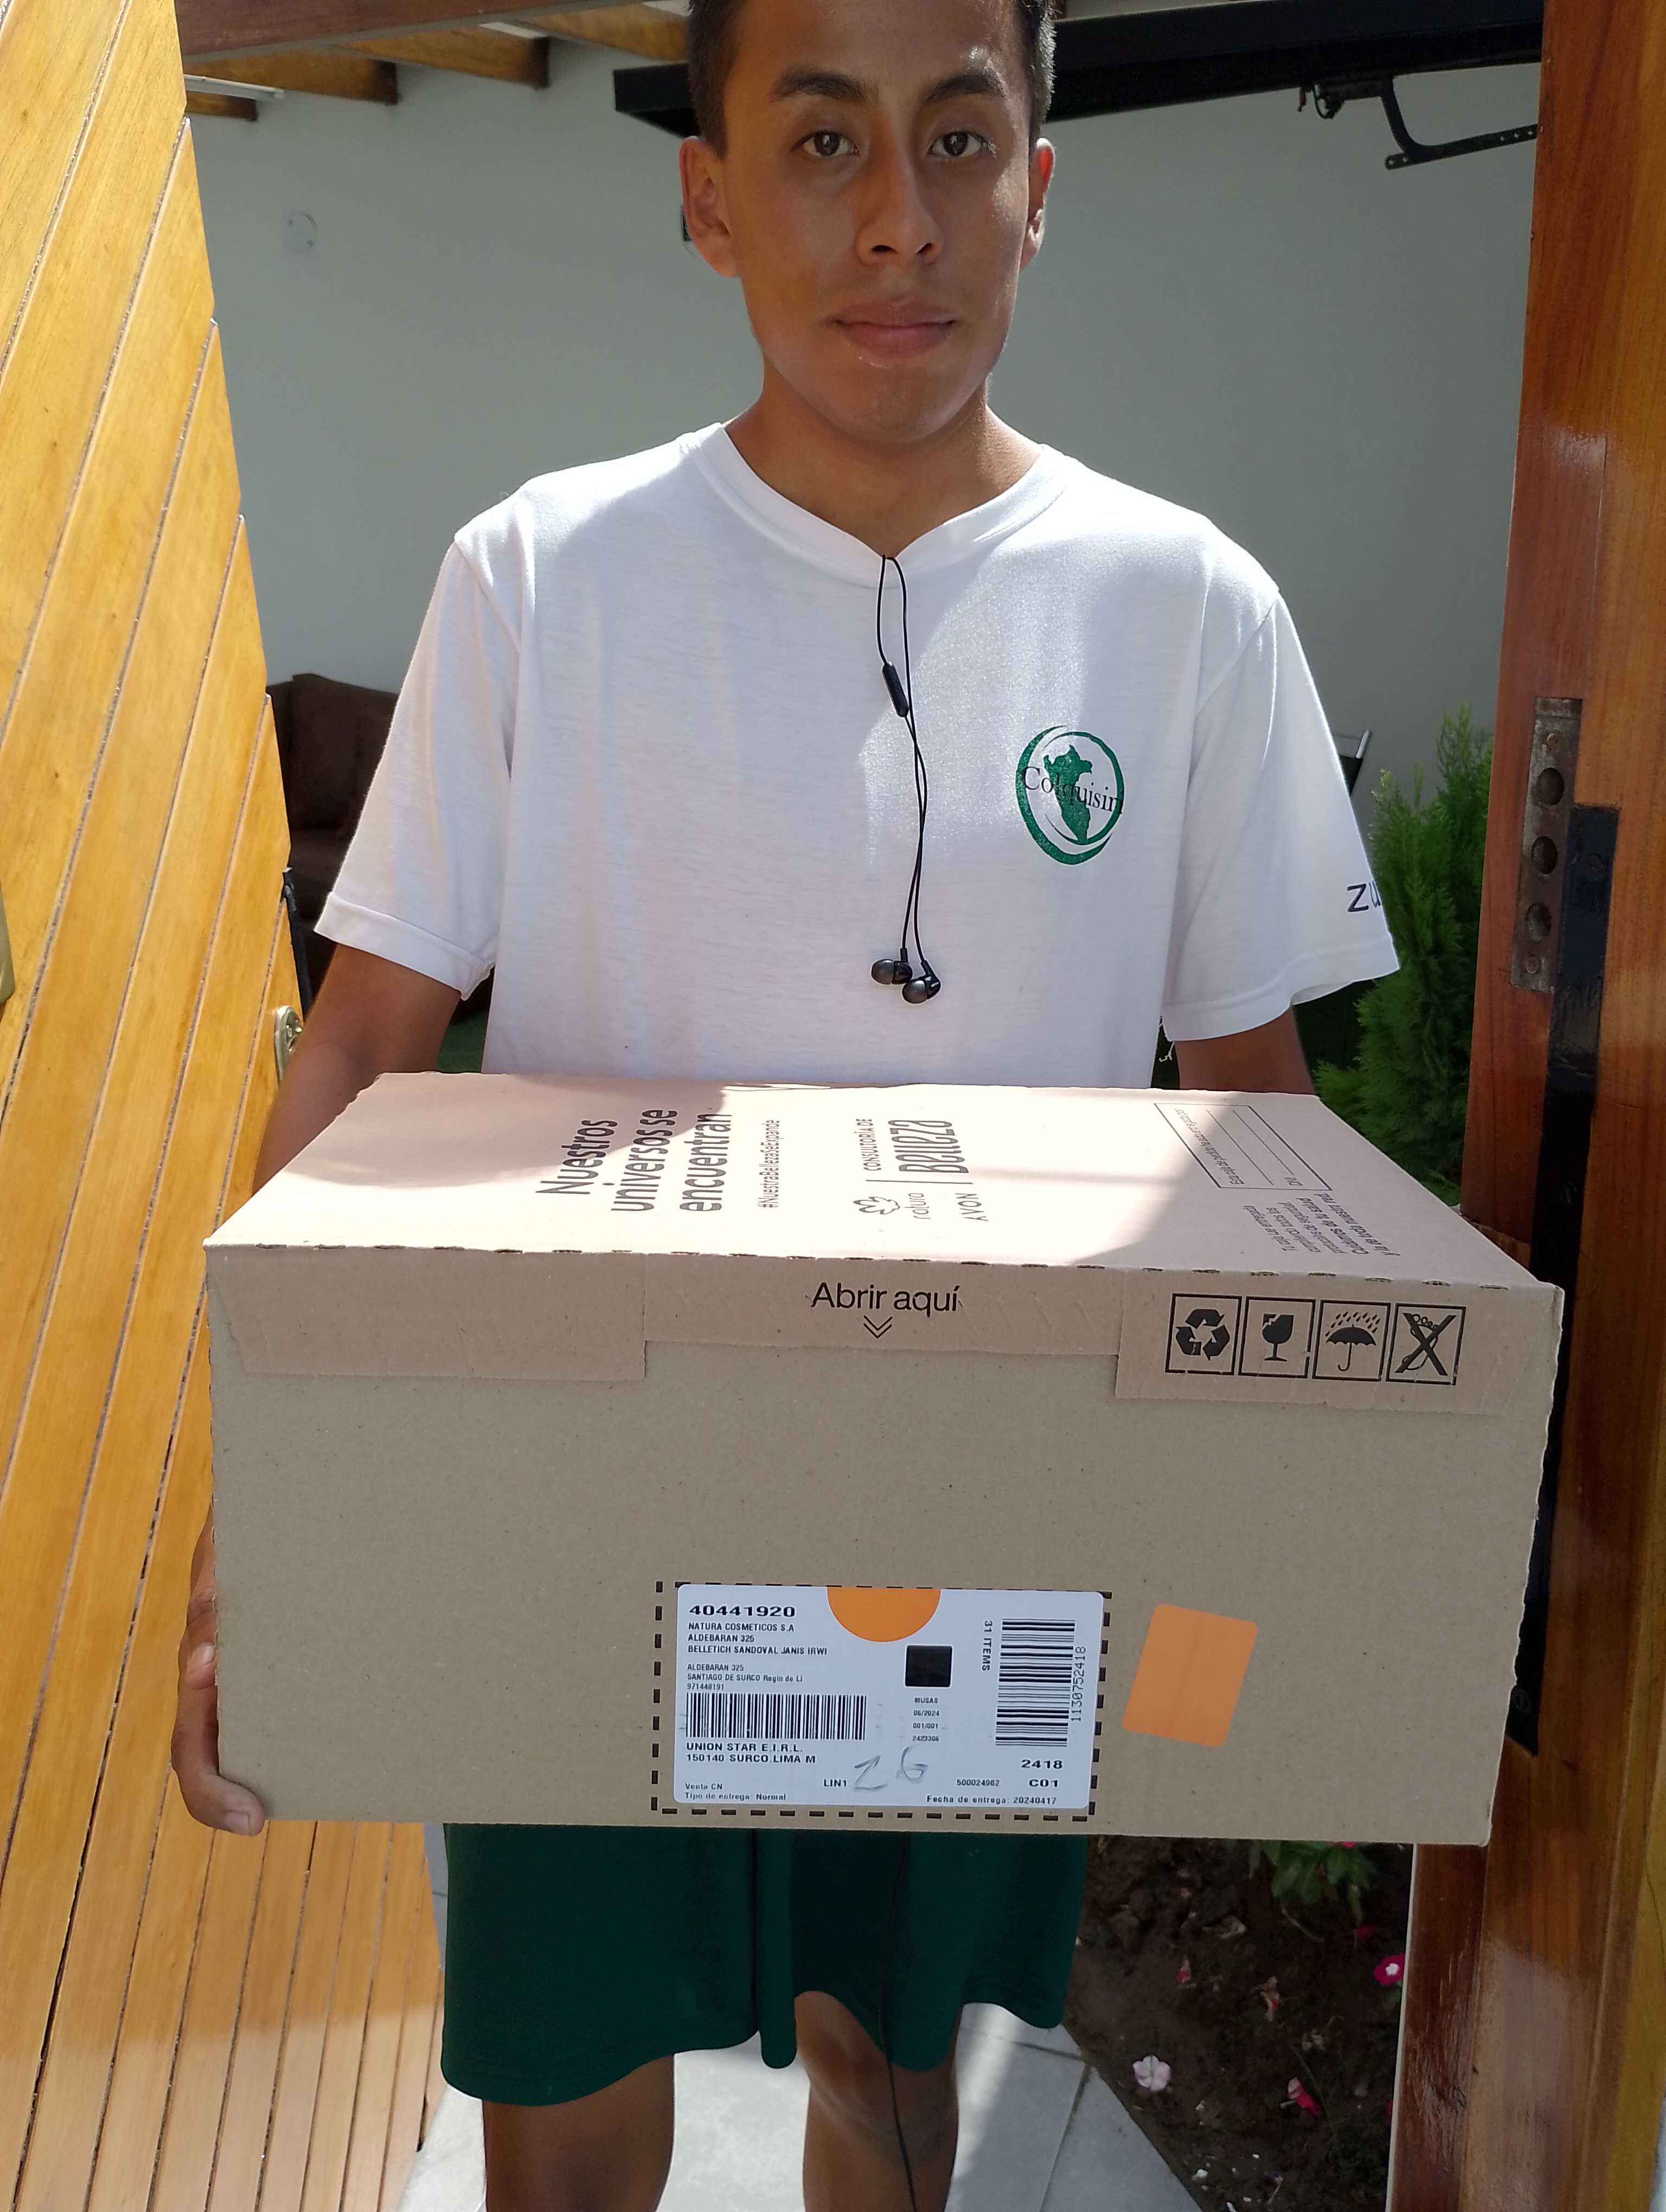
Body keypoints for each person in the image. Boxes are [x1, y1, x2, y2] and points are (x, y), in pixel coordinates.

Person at [172, 0, 1397, 2204]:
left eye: (960, 137)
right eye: (824, 140)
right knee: (563, 2113)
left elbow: (1260, 1145)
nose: (900, 220)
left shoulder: (1188, 614)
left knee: (893, 2086)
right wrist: (269, 1515)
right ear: (710, 198)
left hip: (973, 1536)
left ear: (1041, 186)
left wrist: (1272, 1600)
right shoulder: (543, 578)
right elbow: (358, 1048)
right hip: (571, 1499)